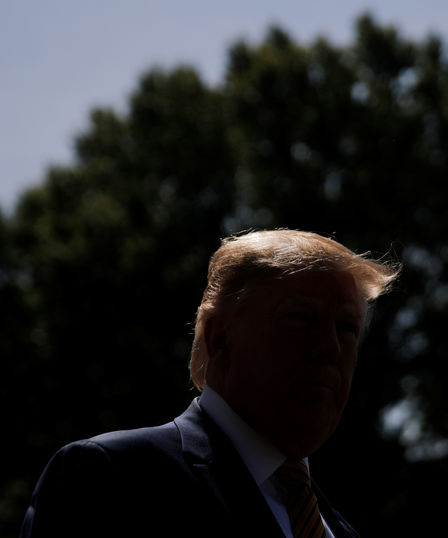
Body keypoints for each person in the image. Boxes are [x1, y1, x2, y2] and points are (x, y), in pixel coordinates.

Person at [21, 229, 400, 538]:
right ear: (221, 339)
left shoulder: (338, 528)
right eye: (301, 319)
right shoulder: (112, 479)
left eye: (347, 329)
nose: (329, 348)